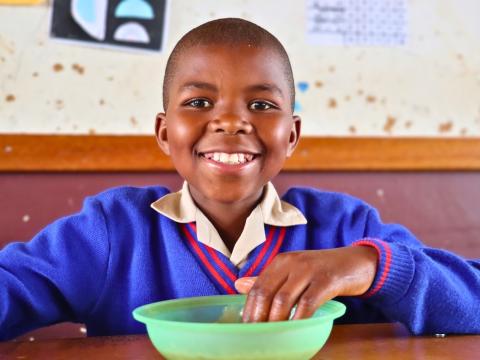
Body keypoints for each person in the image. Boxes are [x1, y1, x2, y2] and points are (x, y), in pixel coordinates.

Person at [1, 18, 479, 341]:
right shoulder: (112, 232)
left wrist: (371, 268)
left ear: (291, 135)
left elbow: (471, 297)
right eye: (199, 103)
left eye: (262, 105)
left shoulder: (343, 229)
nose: (231, 122)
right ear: (165, 133)